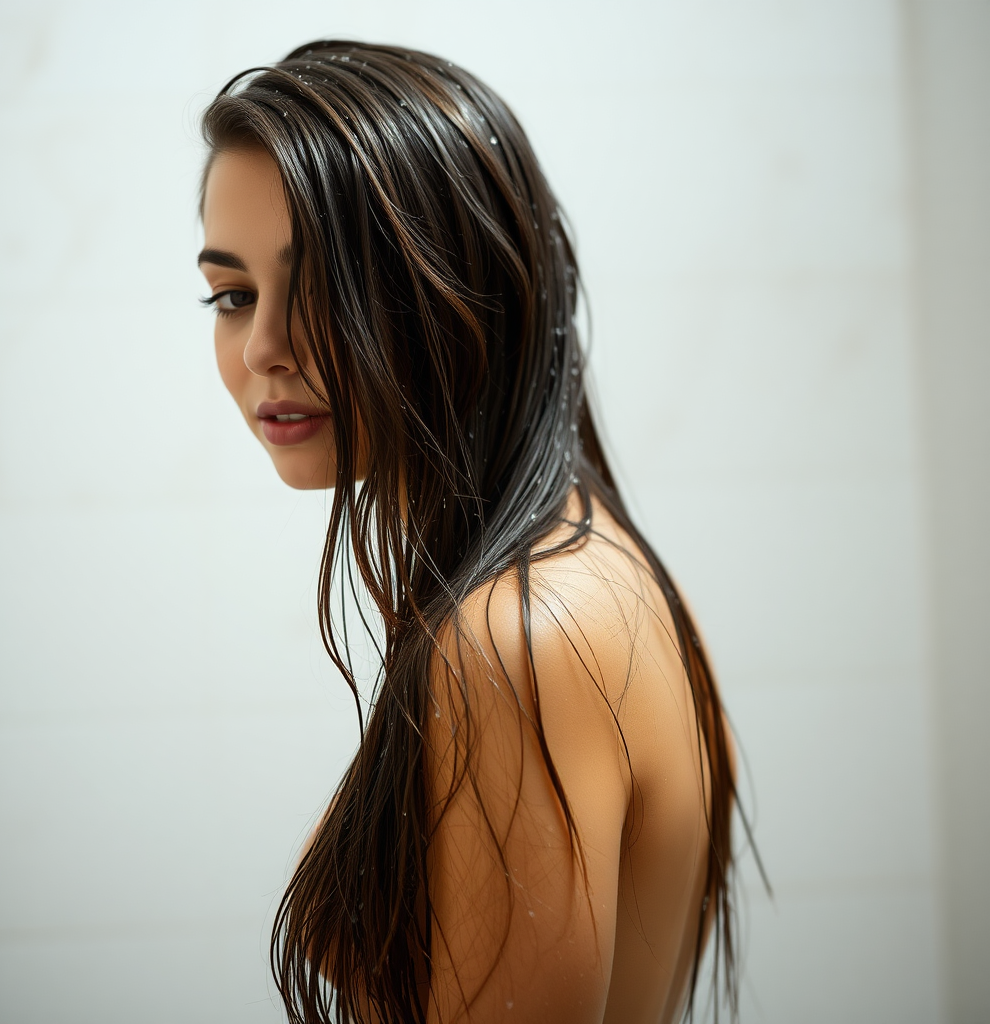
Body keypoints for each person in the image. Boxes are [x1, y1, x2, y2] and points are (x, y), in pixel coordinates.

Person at [197, 39, 743, 1024]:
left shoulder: (516, 640)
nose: (264, 346)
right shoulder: (589, 567)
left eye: (323, 282)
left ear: (457, 280)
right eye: (232, 294)